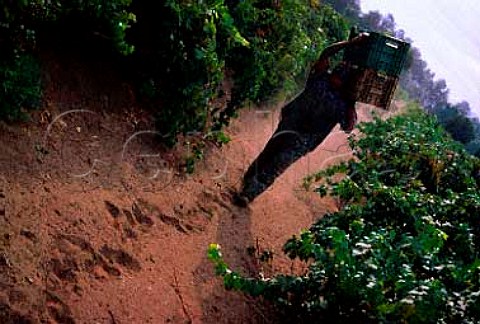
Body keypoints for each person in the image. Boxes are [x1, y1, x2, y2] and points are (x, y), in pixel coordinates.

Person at [233, 33, 369, 207]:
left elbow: (349, 127)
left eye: (344, 77)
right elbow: (326, 53)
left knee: (278, 163)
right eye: (339, 72)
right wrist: (350, 43)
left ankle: (248, 194)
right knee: (270, 152)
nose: (338, 75)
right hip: (290, 123)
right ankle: (248, 180)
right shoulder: (320, 78)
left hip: (305, 139)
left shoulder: (344, 104)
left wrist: (352, 101)